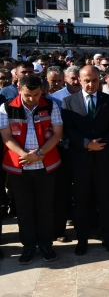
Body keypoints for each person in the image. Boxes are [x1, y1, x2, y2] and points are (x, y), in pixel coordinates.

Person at [0, 75, 62, 264]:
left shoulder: (51, 106)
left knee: (45, 207)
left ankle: (45, 244)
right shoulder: (6, 108)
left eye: (36, 94)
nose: (32, 99)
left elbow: (57, 133)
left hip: (45, 164)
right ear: (19, 88)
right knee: (24, 209)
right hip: (19, 166)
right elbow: (6, 136)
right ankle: (28, 246)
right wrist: (25, 155)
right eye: (28, 95)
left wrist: (40, 153)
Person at [61, 66, 109, 256]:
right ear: (79, 80)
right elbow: (68, 129)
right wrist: (87, 144)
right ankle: (82, 239)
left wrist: (99, 144)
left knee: (106, 200)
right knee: (81, 201)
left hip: (104, 159)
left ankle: (108, 237)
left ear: (100, 80)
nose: (90, 84)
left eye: (94, 80)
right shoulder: (68, 102)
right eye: (87, 80)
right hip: (81, 160)